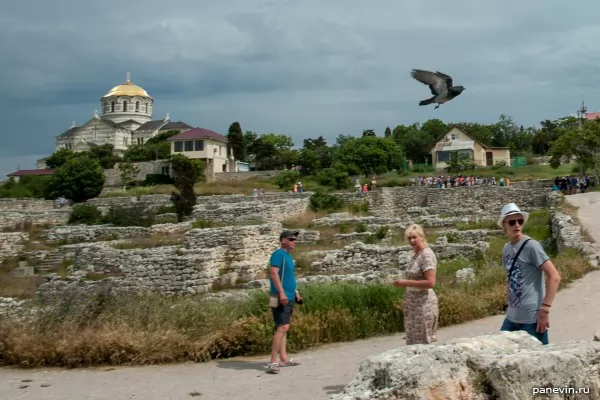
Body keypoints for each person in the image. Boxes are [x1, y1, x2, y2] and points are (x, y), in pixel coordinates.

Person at [497, 203, 561, 345]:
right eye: (512, 222)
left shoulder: (531, 246)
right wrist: (508, 299)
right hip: (511, 317)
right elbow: (510, 276)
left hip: (532, 320)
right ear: (504, 226)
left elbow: (554, 276)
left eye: (520, 221)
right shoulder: (506, 249)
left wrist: (545, 310)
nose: (517, 225)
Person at [393, 224, 439, 345]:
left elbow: (430, 282)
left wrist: (406, 282)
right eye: (409, 238)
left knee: (422, 341)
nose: (412, 241)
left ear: (422, 237)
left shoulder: (426, 255)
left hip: (423, 303)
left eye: (414, 237)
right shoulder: (416, 254)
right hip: (412, 303)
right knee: (413, 341)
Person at [266, 230, 302, 373]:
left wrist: (296, 291)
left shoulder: (288, 257)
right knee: (282, 327)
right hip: (280, 296)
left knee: (283, 327)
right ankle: (273, 361)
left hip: (289, 295)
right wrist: (281, 292)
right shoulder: (278, 255)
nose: (294, 241)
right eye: (291, 239)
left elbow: (289, 276)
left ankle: (284, 358)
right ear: (283, 241)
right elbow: (273, 273)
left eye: (295, 239)